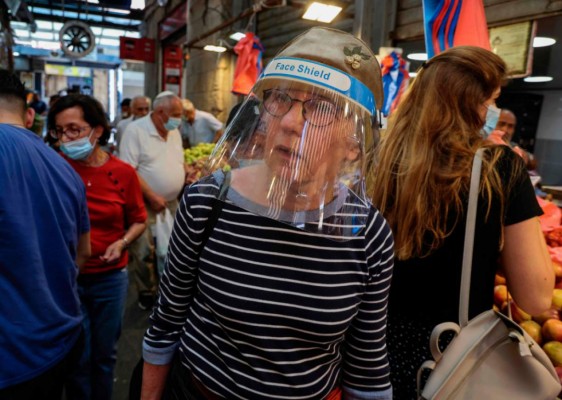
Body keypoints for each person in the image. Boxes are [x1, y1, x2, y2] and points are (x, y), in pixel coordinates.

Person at [141, 27, 394, 400]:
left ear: (354, 145)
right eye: (281, 100)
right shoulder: (207, 203)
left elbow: (366, 366)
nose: (291, 123)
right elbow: (165, 323)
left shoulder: (367, 234)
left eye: (321, 109)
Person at [370, 46, 554, 399]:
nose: (494, 111)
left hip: (375, 355)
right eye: (493, 100)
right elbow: (536, 297)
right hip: (453, 358)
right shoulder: (499, 167)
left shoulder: (381, 161)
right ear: (471, 102)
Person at [47, 94, 148, 400]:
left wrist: (122, 242)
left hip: (109, 279)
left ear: (98, 130)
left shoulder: (123, 173)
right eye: (59, 131)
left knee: (105, 356)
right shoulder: (53, 168)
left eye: (74, 130)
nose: (66, 138)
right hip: (67, 279)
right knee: (77, 356)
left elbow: (139, 220)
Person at [0, 70, 91, 399]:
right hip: (58, 339)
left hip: (11, 356)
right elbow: (84, 252)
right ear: (28, 115)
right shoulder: (66, 169)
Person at [119, 91, 185, 309]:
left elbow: (177, 161)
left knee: (173, 248)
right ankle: (147, 293)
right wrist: (152, 195)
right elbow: (129, 170)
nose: (179, 119)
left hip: (172, 202)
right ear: (159, 113)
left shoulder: (173, 131)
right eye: (175, 114)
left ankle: (169, 289)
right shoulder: (135, 131)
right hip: (144, 202)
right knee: (145, 250)